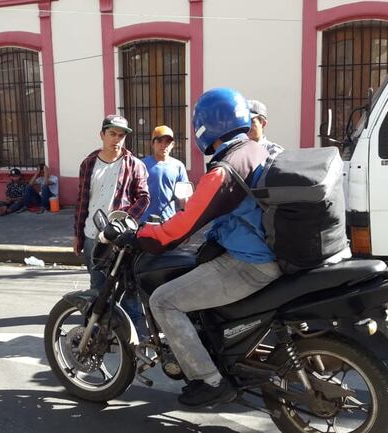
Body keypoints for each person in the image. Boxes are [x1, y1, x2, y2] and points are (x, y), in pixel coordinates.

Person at [114, 88, 282, 408]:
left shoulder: (224, 169)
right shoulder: (255, 149)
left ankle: (210, 381)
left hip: (250, 261)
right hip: (264, 248)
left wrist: (143, 236)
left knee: (164, 301)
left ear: (205, 127)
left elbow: (180, 226)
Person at [74, 114, 149, 290]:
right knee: (97, 286)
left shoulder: (134, 165)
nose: (116, 139)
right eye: (112, 133)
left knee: (126, 288)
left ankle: (124, 318)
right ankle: (95, 318)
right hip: (92, 236)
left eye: (121, 135)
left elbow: (144, 197)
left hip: (120, 238)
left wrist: (125, 221)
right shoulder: (89, 164)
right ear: (102, 135)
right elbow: (82, 201)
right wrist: (77, 235)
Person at [139, 125, 189, 222]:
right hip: (144, 221)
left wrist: (185, 222)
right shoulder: (142, 165)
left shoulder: (178, 166)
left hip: (169, 220)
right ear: (152, 144)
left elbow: (183, 197)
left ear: (173, 145)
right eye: (159, 141)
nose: (163, 145)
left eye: (167, 142)